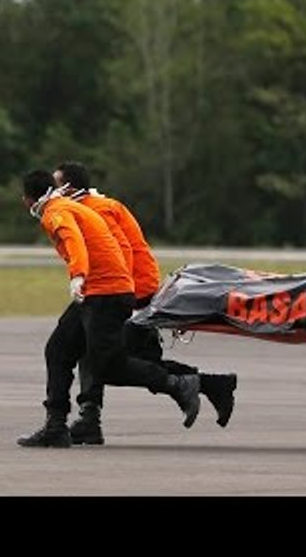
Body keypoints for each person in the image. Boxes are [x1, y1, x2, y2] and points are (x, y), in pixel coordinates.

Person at [52, 161, 237, 445]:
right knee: (95, 351)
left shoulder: (97, 209)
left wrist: (121, 295)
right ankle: (90, 418)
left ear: (69, 188)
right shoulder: (94, 205)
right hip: (119, 289)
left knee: (117, 361)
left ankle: (207, 384)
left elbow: (121, 251)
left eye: (55, 187)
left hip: (128, 291)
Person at [16, 169, 200, 448]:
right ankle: (55, 425)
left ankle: (178, 385)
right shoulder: (68, 205)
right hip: (101, 291)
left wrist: (77, 274)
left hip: (106, 294)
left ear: (27, 200)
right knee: (58, 349)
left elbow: (72, 239)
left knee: (109, 367)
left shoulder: (55, 212)